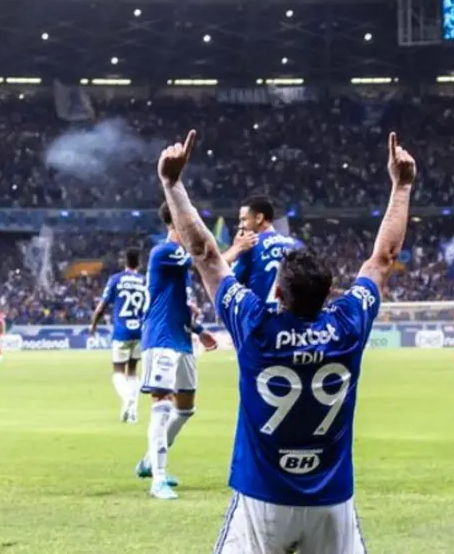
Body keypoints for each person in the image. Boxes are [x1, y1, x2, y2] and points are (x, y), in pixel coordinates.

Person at [156, 129, 414, 552]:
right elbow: (384, 257)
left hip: (262, 499)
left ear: (276, 292)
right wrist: (402, 186)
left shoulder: (255, 326)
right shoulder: (348, 325)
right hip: (332, 503)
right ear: (330, 293)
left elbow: (204, 253)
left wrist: (172, 184)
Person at [135, 202, 219, 500]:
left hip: (182, 339)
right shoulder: (164, 251)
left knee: (185, 408)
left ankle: (148, 461)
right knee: (162, 405)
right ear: (177, 221)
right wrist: (234, 251)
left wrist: (199, 331)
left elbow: (178, 303)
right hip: (160, 340)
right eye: (190, 219)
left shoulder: (178, 260)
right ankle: (157, 479)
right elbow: (207, 263)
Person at [90, 247, 149, 423]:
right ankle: (132, 412)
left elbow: (102, 306)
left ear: (125, 262)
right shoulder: (145, 281)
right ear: (139, 263)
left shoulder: (116, 279)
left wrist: (93, 324)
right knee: (132, 370)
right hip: (139, 330)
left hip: (121, 331)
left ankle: (127, 400)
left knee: (117, 370)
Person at [222, 196, 304, 312]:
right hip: (294, 323)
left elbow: (228, 283)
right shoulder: (298, 246)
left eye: (244, 219)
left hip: (261, 321)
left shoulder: (249, 246)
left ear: (259, 218)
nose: (240, 225)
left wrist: (236, 249)